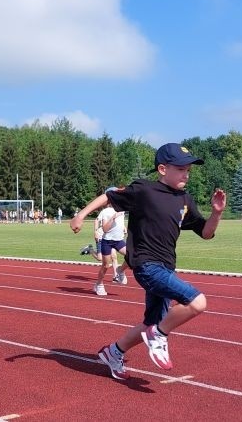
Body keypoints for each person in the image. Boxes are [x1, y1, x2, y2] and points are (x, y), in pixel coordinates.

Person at [71, 143, 226, 380]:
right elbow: (108, 196)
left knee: (151, 323)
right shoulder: (144, 190)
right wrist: (80, 215)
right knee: (197, 302)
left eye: (189, 169)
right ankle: (159, 335)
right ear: (163, 169)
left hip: (166, 266)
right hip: (146, 265)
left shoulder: (185, 200)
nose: (186, 173)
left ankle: (114, 352)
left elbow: (205, 233)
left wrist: (216, 213)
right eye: (181, 168)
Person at [92, 187, 129, 296]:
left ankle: (120, 271)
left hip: (119, 241)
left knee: (132, 256)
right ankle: (99, 284)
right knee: (106, 265)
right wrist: (113, 218)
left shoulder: (122, 208)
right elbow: (105, 229)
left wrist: (124, 228)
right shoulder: (106, 211)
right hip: (107, 241)